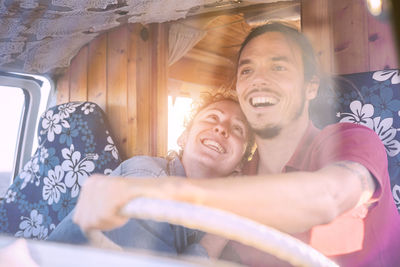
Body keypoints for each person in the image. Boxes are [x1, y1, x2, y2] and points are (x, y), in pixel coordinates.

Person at [69, 23, 400, 266]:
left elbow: (329, 197)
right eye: (247, 70)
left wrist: (157, 196)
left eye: (279, 66)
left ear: (310, 87)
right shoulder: (239, 183)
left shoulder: (349, 139)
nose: (258, 79)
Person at [46, 91, 254, 258]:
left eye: (237, 128)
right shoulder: (146, 177)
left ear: (240, 164)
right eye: (213, 117)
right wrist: (218, 236)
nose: (221, 128)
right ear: (183, 138)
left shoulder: (209, 213)